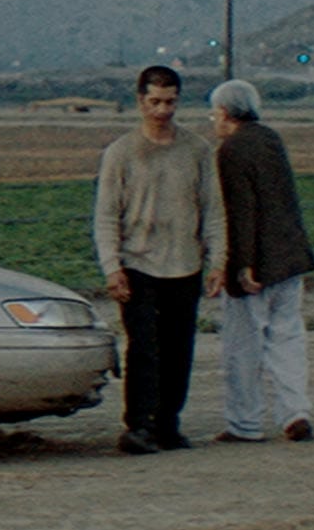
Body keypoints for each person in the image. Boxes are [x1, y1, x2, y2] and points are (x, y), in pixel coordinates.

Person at [93, 65, 227, 454]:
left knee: (178, 349)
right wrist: (112, 266)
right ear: (140, 102)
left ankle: (168, 424)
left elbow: (213, 210)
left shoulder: (198, 150)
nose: (162, 110)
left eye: (170, 102)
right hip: (138, 265)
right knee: (143, 349)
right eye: (155, 102)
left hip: (184, 263)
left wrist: (217, 260)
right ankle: (138, 426)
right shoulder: (121, 153)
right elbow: (105, 215)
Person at [205, 79, 314, 443]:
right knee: (287, 338)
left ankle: (245, 423)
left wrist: (243, 264)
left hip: (256, 264)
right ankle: (295, 412)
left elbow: (241, 211)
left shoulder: (230, 150)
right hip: (289, 257)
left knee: (243, 347)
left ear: (224, 113)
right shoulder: (272, 139)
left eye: (214, 113)